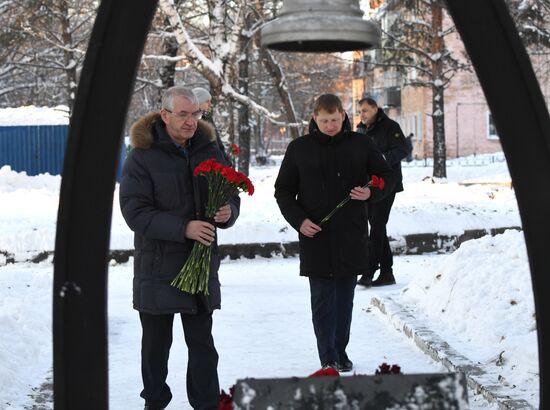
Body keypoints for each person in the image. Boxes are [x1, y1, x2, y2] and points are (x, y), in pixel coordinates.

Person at [119, 86, 240, 410]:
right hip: (159, 268)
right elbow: (135, 211)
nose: (190, 121)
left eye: (195, 114)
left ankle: (206, 404)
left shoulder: (209, 148)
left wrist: (228, 210)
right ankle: (155, 403)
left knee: (202, 345)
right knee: (156, 347)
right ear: (165, 115)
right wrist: (183, 228)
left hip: (200, 266)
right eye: (183, 114)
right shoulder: (142, 155)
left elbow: (230, 191)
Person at [274, 94, 394, 373]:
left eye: (335, 120)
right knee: (322, 301)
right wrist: (299, 220)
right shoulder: (298, 148)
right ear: (315, 117)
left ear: (344, 116)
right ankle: (326, 356)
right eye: (325, 120)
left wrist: (371, 192)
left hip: (350, 235)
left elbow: (388, 177)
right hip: (315, 236)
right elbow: (283, 191)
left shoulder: (362, 144)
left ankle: (340, 351)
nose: (330, 125)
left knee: (344, 300)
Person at [356, 97, 410, 288]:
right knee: (377, 225)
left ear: (375, 109)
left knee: (377, 225)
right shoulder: (360, 128)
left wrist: (383, 159)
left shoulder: (390, 126)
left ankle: (369, 272)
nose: (361, 114)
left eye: (365, 110)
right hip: (369, 185)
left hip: (388, 183)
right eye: (360, 111)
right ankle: (387, 272)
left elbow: (404, 149)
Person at [192, 86, 229, 162]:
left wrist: (225, 160)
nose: (210, 104)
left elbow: (218, 144)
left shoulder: (207, 119)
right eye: (207, 101)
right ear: (198, 102)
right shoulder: (190, 122)